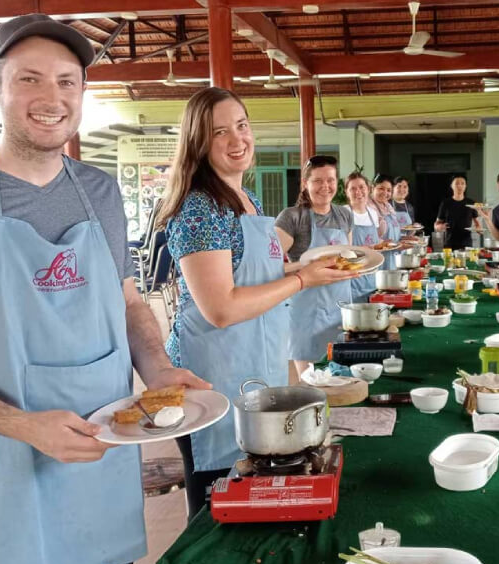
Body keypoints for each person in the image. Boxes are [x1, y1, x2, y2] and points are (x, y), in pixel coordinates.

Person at [0, 14, 209, 564]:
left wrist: (157, 369)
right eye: (30, 79)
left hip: (100, 464)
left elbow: (128, 299)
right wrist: (21, 424)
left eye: (67, 82)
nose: (51, 98)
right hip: (2, 476)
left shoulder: (101, 191)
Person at [156, 88, 354, 516]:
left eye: (242, 126)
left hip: (251, 362)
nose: (237, 139)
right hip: (211, 377)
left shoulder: (247, 199)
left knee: (253, 491)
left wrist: (316, 268)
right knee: (217, 502)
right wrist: (303, 279)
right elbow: (221, 307)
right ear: (198, 142)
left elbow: (258, 274)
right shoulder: (199, 209)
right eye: (219, 132)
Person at [276, 156, 356, 377]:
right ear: (305, 183)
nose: (325, 187)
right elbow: (267, 266)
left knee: (341, 380)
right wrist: (306, 267)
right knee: (312, 384)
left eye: (330, 180)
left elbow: (347, 257)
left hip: (340, 306)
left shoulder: (344, 215)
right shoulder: (292, 218)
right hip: (307, 312)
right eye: (318, 181)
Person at [345, 172, 385, 301]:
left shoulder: (373, 213)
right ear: (346, 192)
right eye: (353, 188)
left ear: (368, 189)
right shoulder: (344, 213)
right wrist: (360, 250)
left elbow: (375, 240)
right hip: (353, 278)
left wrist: (381, 244)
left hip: (373, 277)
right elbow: (339, 249)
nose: (358, 192)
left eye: (362, 187)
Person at [434, 175, 477, 249]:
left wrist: (479, 229)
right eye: (457, 183)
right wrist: (440, 227)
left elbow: (477, 224)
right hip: (449, 243)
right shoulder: (445, 203)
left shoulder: (471, 203)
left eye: (463, 183)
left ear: (465, 186)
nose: (460, 186)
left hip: (467, 243)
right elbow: (436, 224)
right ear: (451, 186)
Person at [370, 174, 403, 270]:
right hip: (378, 259)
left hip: (393, 258)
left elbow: (395, 232)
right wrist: (384, 244)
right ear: (372, 188)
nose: (385, 193)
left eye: (389, 190)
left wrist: (403, 239)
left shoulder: (388, 206)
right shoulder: (368, 207)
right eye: (381, 188)